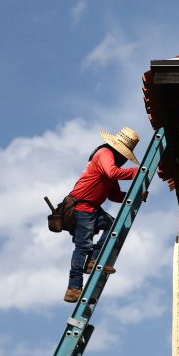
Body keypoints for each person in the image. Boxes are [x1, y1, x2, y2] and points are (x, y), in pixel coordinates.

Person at [63, 127, 140, 303]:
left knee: (112, 225)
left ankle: (94, 259)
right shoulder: (105, 153)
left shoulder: (111, 163)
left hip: (90, 208)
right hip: (81, 206)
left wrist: (135, 195)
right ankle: (73, 289)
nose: (124, 160)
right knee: (83, 246)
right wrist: (137, 172)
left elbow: (114, 195)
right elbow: (112, 173)